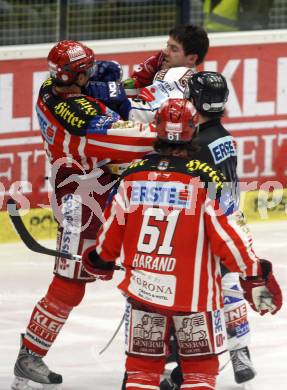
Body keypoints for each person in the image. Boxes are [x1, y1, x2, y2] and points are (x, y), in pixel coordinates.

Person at [81, 98, 282, 390]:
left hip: (144, 294)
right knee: (199, 372)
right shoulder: (205, 179)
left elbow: (110, 234)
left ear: (157, 130)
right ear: (192, 130)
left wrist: (100, 260)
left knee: (141, 372)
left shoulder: (132, 175)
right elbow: (229, 236)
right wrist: (254, 273)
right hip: (193, 300)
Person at [11, 40, 157, 390]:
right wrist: (170, 124)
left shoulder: (49, 88)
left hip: (98, 187)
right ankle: (29, 355)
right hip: (83, 197)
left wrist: (113, 85)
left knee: (147, 272)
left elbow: (93, 85)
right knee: (72, 284)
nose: (91, 75)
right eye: (85, 72)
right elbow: (139, 138)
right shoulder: (83, 117)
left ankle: (151, 361)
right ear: (75, 77)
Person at [122, 29, 258, 385]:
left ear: (192, 59)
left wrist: (131, 86)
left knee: (184, 284)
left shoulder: (181, 97)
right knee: (225, 280)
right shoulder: (218, 120)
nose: (165, 52)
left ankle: (177, 360)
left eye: (173, 48)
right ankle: (238, 349)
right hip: (225, 207)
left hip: (193, 209)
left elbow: (135, 116)